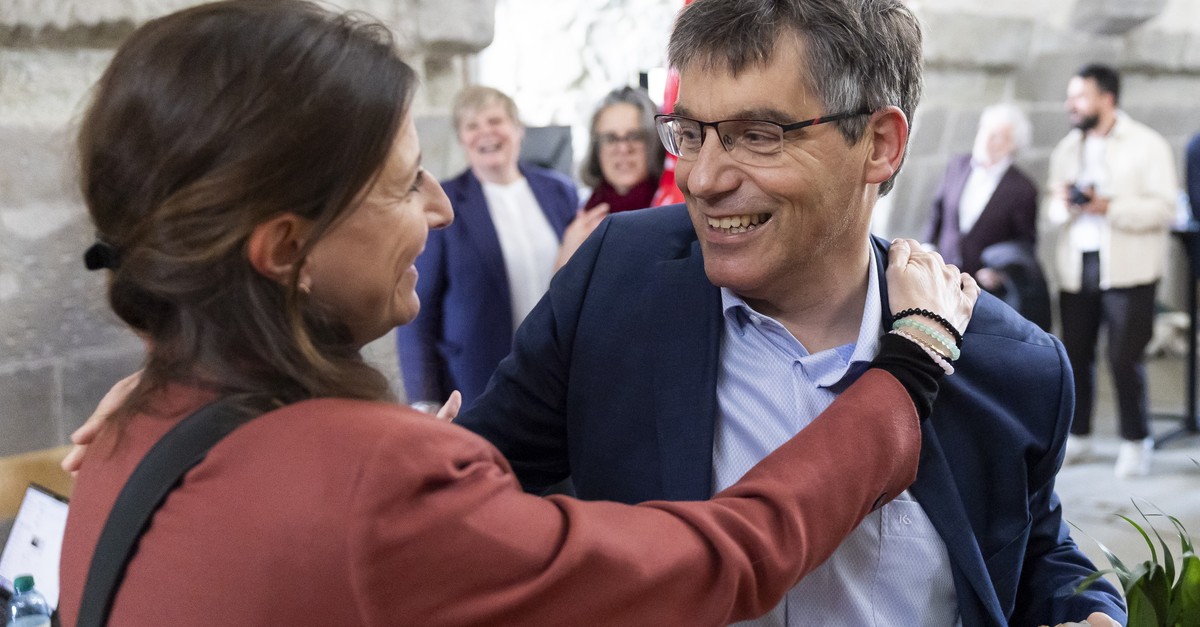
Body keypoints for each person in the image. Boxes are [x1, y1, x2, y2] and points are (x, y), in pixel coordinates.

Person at [56, 1, 981, 625]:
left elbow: (1015, 543)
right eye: (400, 183)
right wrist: (901, 380)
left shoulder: (132, 436)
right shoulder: (378, 478)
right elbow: (716, 561)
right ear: (284, 246)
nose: (441, 206)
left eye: (757, 133)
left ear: (880, 144)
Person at [456, 1, 1125, 625]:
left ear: (880, 144)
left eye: (758, 134)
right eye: (690, 132)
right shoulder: (616, 282)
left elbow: (1036, 547)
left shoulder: (1011, 362)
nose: (704, 178)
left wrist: (1093, 607)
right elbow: (468, 496)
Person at [394, 86, 606, 412]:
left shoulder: (559, 191)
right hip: (478, 384)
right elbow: (419, 314)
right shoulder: (445, 205)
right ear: (462, 140)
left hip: (563, 373)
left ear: (518, 129)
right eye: (472, 126)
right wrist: (424, 403)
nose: (485, 132)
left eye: (495, 120)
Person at [1046, 63, 1178, 478]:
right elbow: (1050, 210)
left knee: (1124, 359)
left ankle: (1137, 441)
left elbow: (1165, 209)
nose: (1071, 105)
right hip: (1077, 266)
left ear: (1107, 98)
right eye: (1070, 97)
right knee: (1076, 355)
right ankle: (1080, 436)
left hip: (1128, 269)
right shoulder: (1067, 149)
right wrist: (1065, 204)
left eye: (1079, 96)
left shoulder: (1147, 144)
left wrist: (1109, 208)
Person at [924, 103, 1051, 330]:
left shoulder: (1022, 188)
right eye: (985, 130)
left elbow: (1025, 243)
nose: (987, 139)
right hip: (942, 280)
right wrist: (926, 247)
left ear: (1012, 145)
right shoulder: (958, 165)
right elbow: (938, 212)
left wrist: (1000, 273)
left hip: (983, 292)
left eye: (998, 136)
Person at [579, 86, 665, 213]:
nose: (623, 148)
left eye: (635, 137)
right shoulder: (581, 217)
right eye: (611, 139)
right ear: (596, 149)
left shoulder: (675, 206)